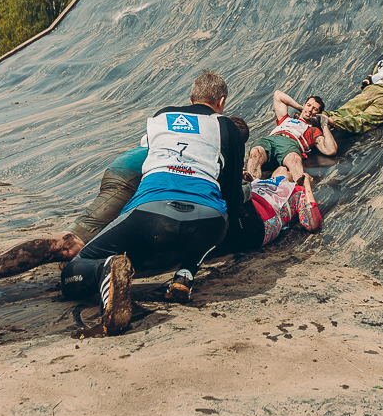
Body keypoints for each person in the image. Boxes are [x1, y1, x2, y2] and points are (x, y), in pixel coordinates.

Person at [0, 116, 253, 309]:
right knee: (70, 245)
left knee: (85, 245)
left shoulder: (194, 126)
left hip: (131, 166)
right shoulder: (222, 140)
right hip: (136, 174)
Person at [58, 70, 246, 333]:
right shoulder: (228, 127)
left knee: (74, 269)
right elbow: (233, 196)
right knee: (219, 212)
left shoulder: (161, 116)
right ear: (222, 102)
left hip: (151, 214)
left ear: (191, 98)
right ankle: (185, 275)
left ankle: (104, 270)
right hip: (208, 224)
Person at [245, 90, 336, 185]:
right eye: (308, 105)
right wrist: (300, 107)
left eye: (315, 109)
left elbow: (330, 150)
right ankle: (252, 187)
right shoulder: (285, 119)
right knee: (255, 152)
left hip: (289, 145)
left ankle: (302, 191)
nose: (310, 109)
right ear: (304, 105)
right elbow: (277, 95)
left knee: (294, 159)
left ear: (317, 113)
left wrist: (324, 124)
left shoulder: (312, 130)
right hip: (271, 140)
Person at [229, 165, 322, 253]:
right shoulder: (259, 182)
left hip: (262, 222)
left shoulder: (297, 191)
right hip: (239, 215)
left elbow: (313, 223)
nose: (283, 167)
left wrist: (307, 185)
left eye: (288, 171)